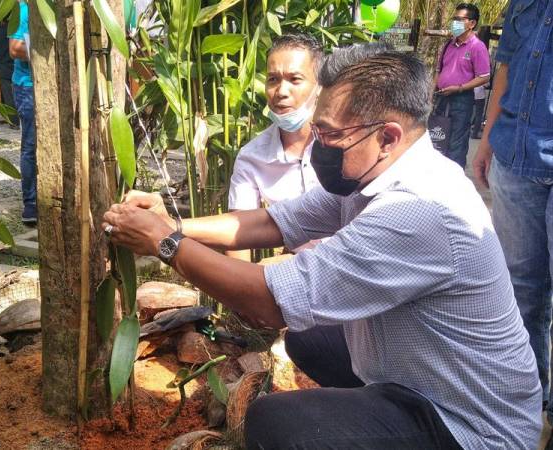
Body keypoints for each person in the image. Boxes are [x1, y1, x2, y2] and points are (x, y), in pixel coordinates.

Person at [103, 44, 541, 449]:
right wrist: (173, 223)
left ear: (387, 137)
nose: (319, 146)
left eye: (329, 134)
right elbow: (275, 220)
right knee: (309, 338)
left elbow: (269, 302)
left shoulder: (418, 210)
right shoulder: (379, 169)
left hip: (471, 426)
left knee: (277, 424)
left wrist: (165, 244)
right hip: (424, 376)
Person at [473, 0, 553, 443]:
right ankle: (525, 401)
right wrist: (486, 140)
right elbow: (505, 67)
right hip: (515, 156)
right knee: (519, 287)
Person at [227, 33, 322, 259]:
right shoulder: (251, 158)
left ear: (320, 86)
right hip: (296, 274)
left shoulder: (346, 144)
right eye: (273, 79)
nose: (281, 91)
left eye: (295, 79)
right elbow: (238, 236)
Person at [434, 3, 490, 168]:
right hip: (442, 97)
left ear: (472, 23)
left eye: (459, 19)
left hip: (462, 99)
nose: (455, 23)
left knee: (456, 142)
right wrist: (432, 92)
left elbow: (484, 77)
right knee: (438, 137)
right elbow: (439, 71)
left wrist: (459, 88)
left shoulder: (477, 47)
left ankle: (453, 180)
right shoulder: (448, 45)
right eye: (454, 19)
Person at [9, 0, 37, 225]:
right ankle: (31, 204)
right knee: (31, 144)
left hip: (57, 85)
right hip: (27, 85)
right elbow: (15, 48)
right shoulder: (25, 7)